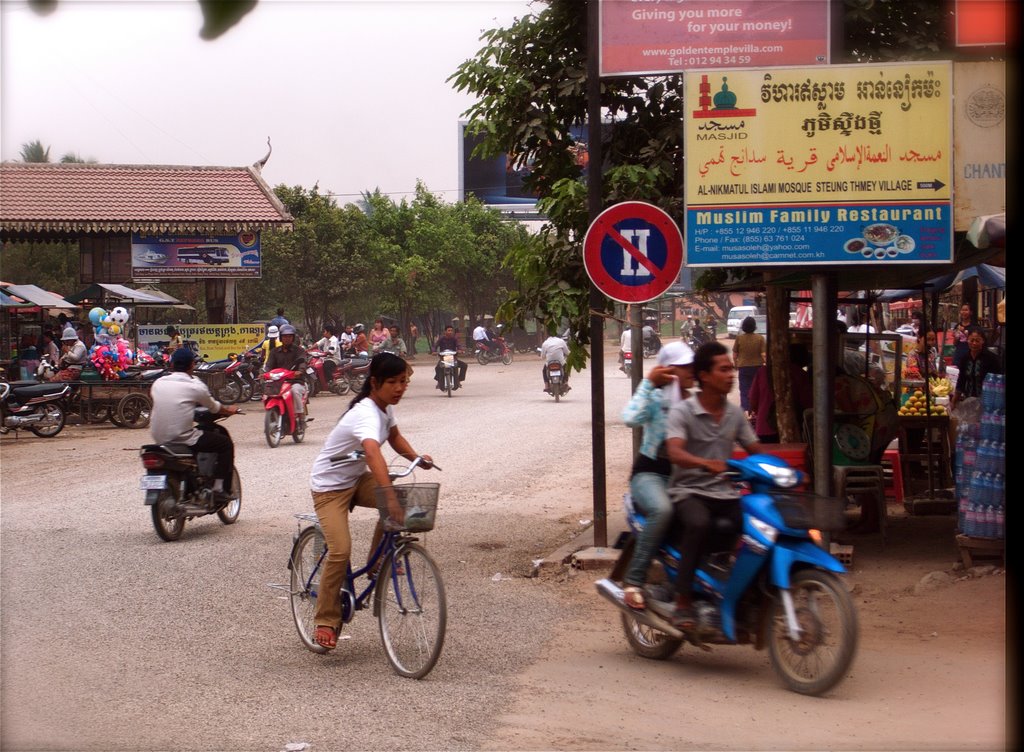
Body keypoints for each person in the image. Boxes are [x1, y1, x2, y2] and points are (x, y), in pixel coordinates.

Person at [307, 352, 436, 650]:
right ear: (375, 383)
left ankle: (376, 563)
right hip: (329, 488)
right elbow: (374, 453)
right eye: (392, 382)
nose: (400, 388)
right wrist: (386, 495)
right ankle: (326, 619)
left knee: (402, 502)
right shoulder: (366, 412)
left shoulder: (385, 408)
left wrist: (416, 458)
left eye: (403, 382)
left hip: (354, 480)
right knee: (340, 550)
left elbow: (394, 438)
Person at [665, 342, 764, 630]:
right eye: (724, 369)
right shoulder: (683, 412)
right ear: (705, 376)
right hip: (689, 491)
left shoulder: (734, 414)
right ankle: (682, 601)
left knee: (757, 529)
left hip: (724, 491)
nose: (731, 375)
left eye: (731, 369)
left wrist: (785, 472)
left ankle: (737, 590)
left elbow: (755, 447)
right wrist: (706, 464)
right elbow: (675, 452)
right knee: (699, 523)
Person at [619, 341, 696, 610]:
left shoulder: (696, 402)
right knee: (662, 511)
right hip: (650, 474)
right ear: (668, 369)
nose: (690, 371)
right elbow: (629, 418)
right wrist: (648, 383)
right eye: (683, 366)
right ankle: (633, 581)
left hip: (684, 480)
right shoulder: (656, 396)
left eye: (691, 365)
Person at [149, 347, 239, 502]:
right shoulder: (195, 386)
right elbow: (214, 407)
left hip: (159, 438)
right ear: (192, 365)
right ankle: (218, 488)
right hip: (182, 438)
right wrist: (229, 410)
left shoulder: (158, 383)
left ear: (172, 364)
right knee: (224, 444)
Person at [748, 343, 813, 444]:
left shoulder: (763, 371)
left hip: (764, 428)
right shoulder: (800, 374)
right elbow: (808, 403)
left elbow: (753, 400)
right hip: (791, 429)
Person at [264, 324, 309, 426]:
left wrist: (300, 371)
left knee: (295, 391)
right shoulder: (274, 351)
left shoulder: (299, 351)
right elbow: (269, 365)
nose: (287, 339)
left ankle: (300, 416)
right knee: (267, 392)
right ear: (280, 337)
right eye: (284, 336)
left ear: (293, 338)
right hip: (278, 382)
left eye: (289, 336)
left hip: (295, 381)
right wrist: (265, 373)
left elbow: (303, 362)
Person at [950, 329, 1002, 409]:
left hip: (988, 403)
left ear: (983, 341)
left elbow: (999, 381)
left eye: (977, 340)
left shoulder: (991, 359)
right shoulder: (965, 359)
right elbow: (961, 381)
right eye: (972, 340)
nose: (974, 343)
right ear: (967, 340)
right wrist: (953, 402)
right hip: (969, 401)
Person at [732, 316, 765, 416]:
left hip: (743, 367)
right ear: (754, 326)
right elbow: (764, 354)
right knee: (757, 389)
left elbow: (734, 355)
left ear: (743, 327)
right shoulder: (760, 338)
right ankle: (756, 410)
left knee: (744, 389)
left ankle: (746, 411)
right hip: (757, 368)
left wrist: (736, 364)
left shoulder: (739, 338)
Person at [433, 325, 467, 389]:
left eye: (451, 331)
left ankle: (458, 380)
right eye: (449, 330)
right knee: (437, 368)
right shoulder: (441, 339)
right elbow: (435, 346)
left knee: (464, 365)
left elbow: (458, 345)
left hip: (453, 359)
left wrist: (460, 350)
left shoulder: (454, 339)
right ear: (445, 331)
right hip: (443, 359)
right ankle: (439, 382)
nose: (450, 332)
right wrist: (433, 351)